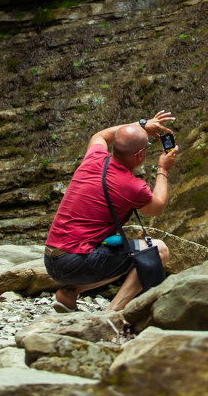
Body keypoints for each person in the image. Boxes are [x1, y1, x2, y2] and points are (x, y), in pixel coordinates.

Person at [43, 110, 178, 312]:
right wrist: (163, 169)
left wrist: (142, 125)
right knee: (157, 250)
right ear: (140, 155)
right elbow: (157, 207)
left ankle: (69, 293)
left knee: (123, 250)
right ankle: (112, 313)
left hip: (51, 258)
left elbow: (99, 136)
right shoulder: (132, 186)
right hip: (76, 262)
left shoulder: (94, 157)